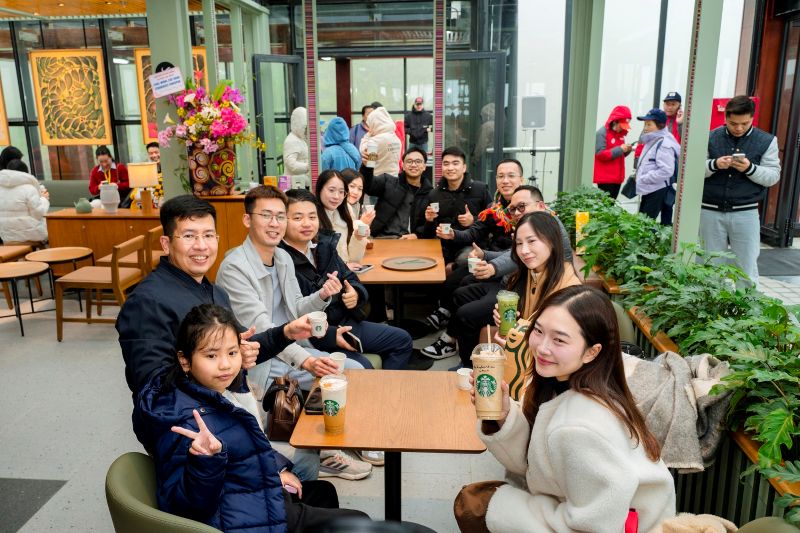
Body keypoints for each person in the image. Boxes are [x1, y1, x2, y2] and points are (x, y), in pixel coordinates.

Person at [117, 194, 340, 481]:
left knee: (309, 460)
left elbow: (243, 349)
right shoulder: (147, 302)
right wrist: (220, 362)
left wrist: (285, 333)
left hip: (228, 410)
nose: (201, 246)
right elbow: (153, 392)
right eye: (189, 236)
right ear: (166, 243)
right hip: (197, 438)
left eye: (208, 235)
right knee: (304, 463)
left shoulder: (214, 293)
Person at [454, 286, 676, 532]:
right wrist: (504, 416)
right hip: (593, 512)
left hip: (628, 526)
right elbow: (538, 463)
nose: (542, 348)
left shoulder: (581, 426)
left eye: (559, 340)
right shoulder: (558, 381)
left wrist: (504, 510)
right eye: (538, 331)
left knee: (475, 504)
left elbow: (594, 527)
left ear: (592, 352)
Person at [134, 304, 368, 532]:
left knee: (324, 492)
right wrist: (204, 460)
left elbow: (247, 444)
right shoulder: (184, 422)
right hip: (239, 519)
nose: (225, 365)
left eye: (232, 352)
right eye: (211, 355)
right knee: (359, 521)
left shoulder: (215, 391)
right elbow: (185, 508)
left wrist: (277, 471)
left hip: (247, 496)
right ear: (185, 360)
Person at [215, 185, 374, 478]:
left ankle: (330, 445)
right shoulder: (234, 268)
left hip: (294, 349)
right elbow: (265, 330)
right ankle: (324, 453)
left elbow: (297, 307)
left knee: (354, 372)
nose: (275, 223)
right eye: (266, 215)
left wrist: (322, 296)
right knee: (344, 375)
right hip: (263, 361)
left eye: (280, 216)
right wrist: (307, 360)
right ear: (247, 220)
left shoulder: (282, 257)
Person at [280, 189, 413, 373]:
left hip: (346, 323)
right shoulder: (279, 259)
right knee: (363, 368)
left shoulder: (323, 246)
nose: (307, 223)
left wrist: (355, 293)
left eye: (312, 217)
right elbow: (289, 315)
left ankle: (388, 389)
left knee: (402, 340)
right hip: (315, 337)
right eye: (297, 218)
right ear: (282, 220)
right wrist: (331, 335)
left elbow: (350, 277)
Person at [454, 211, 581, 370]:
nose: (524, 250)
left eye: (531, 241)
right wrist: (510, 323)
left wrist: (515, 338)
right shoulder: (530, 273)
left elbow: (556, 347)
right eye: (519, 243)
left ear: (553, 241)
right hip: (525, 362)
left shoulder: (568, 292)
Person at [422, 159, 523, 331]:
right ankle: (445, 314)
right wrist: (453, 234)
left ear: (521, 179)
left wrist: (489, 260)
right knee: (453, 281)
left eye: (511, 176)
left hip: (510, 269)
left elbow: (518, 253)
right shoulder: (494, 208)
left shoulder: (528, 210)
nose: (505, 181)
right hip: (489, 258)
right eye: (500, 176)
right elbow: (474, 232)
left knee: (464, 281)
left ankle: (450, 326)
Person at [701, 95, 781, 286]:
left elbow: (773, 176)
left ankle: (746, 303)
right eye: (733, 123)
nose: (738, 128)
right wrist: (714, 164)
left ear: (752, 117)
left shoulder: (767, 140)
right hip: (709, 210)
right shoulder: (709, 136)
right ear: (725, 118)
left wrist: (749, 168)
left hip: (746, 211)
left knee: (746, 267)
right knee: (710, 265)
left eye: (744, 123)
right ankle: (710, 303)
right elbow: (691, 170)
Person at [417, 146, 492, 264]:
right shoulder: (434, 194)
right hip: (443, 246)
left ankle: (453, 269)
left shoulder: (480, 189)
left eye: (455, 163)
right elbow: (427, 235)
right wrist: (429, 221)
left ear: (464, 167)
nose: (450, 168)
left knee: (465, 260)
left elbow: (492, 221)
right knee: (420, 258)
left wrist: (473, 220)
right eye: (446, 164)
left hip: (471, 245)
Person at [360, 147, 433, 239]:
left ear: (424, 166)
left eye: (418, 161)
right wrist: (366, 167)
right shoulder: (388, 182)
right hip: (383, 238)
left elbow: (433, 222)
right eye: (409, 161)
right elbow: (367, 186)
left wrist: (417, 235)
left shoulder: (430, 193)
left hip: (412, 240)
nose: (413, 165)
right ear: (403, 166)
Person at [315, 169, 373, 270]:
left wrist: (358, 238)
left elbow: (353, 260)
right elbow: (315, 261)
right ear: (319, 189)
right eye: (331, 190)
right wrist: (343, 267)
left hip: (345, 274)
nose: (336, 196)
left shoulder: (344, 212)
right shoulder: (313, 217)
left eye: (341, 192)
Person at [635, 108, 680, 225]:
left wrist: (644, 178)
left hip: (656, 189)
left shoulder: (664, 143)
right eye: (645, 124)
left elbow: (666, 170)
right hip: (650, 188)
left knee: (645, 226)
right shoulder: (653, 139)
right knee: (642, 224)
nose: (645, 127)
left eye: (649, 124)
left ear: (660, 125)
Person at [0, 158, 49, 244]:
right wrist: (44, 199)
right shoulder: (29, 189)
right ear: (25, 172)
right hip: (31, 235)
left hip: (6, 236)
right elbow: (38, 214)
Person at [593, 106, 633, 199]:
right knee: (605, 204)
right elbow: (600, 154)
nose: (623, 128)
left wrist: (627, 150)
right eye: (621, 126)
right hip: (605, 178)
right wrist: (620, 149)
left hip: (617, 178)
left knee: (612, 204)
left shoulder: (620, 134)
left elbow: (619, 154)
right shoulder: (602, 133)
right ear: (615, 121)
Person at [358, 107, 402, 177]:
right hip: (394, 177)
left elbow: (369, 161)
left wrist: (368, 135)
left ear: (374, 123)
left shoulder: (374, 141)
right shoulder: (396, 139)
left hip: (378, 179)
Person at [130, 141, 164, 208]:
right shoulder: (145, 170)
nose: (154, 155)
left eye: (156, 152)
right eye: (151, 153)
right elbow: (136, 192)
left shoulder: (168, 168)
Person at [283, 107, 310, 189]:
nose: (306, 130)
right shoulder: (291, 141)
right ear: (297, 124)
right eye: (305, 127)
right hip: (294, 185)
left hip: (302, 183)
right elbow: (292, 165)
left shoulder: (301, 139)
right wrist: (308, 166)